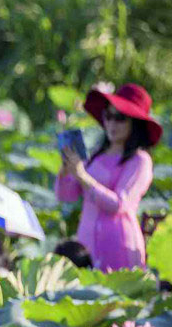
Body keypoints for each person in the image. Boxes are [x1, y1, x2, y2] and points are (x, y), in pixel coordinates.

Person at [55, 83, 163, 271]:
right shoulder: (97, 154)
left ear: (134, 123)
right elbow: (66, 195)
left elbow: (120, 204)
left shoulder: (140, 161)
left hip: (118, 245)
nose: (111, 124)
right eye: (108, 116)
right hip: (86, 242)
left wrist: (83, 176)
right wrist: (66, 170)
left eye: (120, 118)